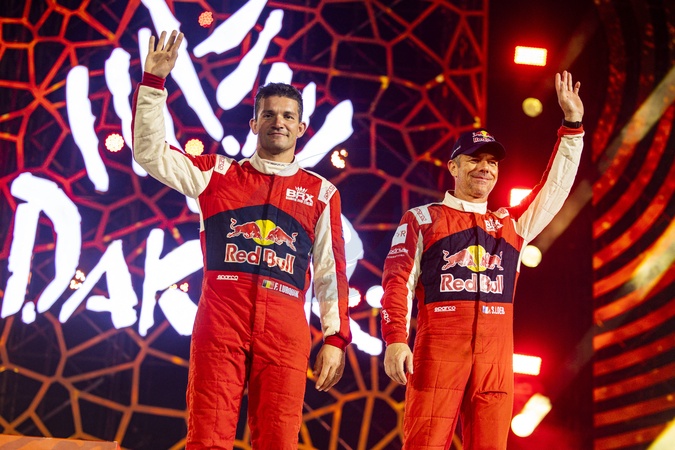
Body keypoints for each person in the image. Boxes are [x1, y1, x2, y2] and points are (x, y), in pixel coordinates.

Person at [132, 30, 351, 449]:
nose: (278, 122)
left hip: (286, 329)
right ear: (254, 124)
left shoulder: (322, 193)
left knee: (278, 440)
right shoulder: (217, 174)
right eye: (268, 114)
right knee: (207, 438)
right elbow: (151, 153)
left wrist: (335, 339)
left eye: (288, 116)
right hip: (221, 320)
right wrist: (154, 83)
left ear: (301, 127)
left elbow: (329, 272)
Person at [380, 71, 584, 449]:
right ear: (453, 167)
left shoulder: (511, 225)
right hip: (437, 354)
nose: (485, 168)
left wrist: (572, 127)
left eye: (492, 162)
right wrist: (395, 339)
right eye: (474, 159)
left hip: (496, 361)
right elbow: (397, 284)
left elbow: (554, 188)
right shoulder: (423, 219)